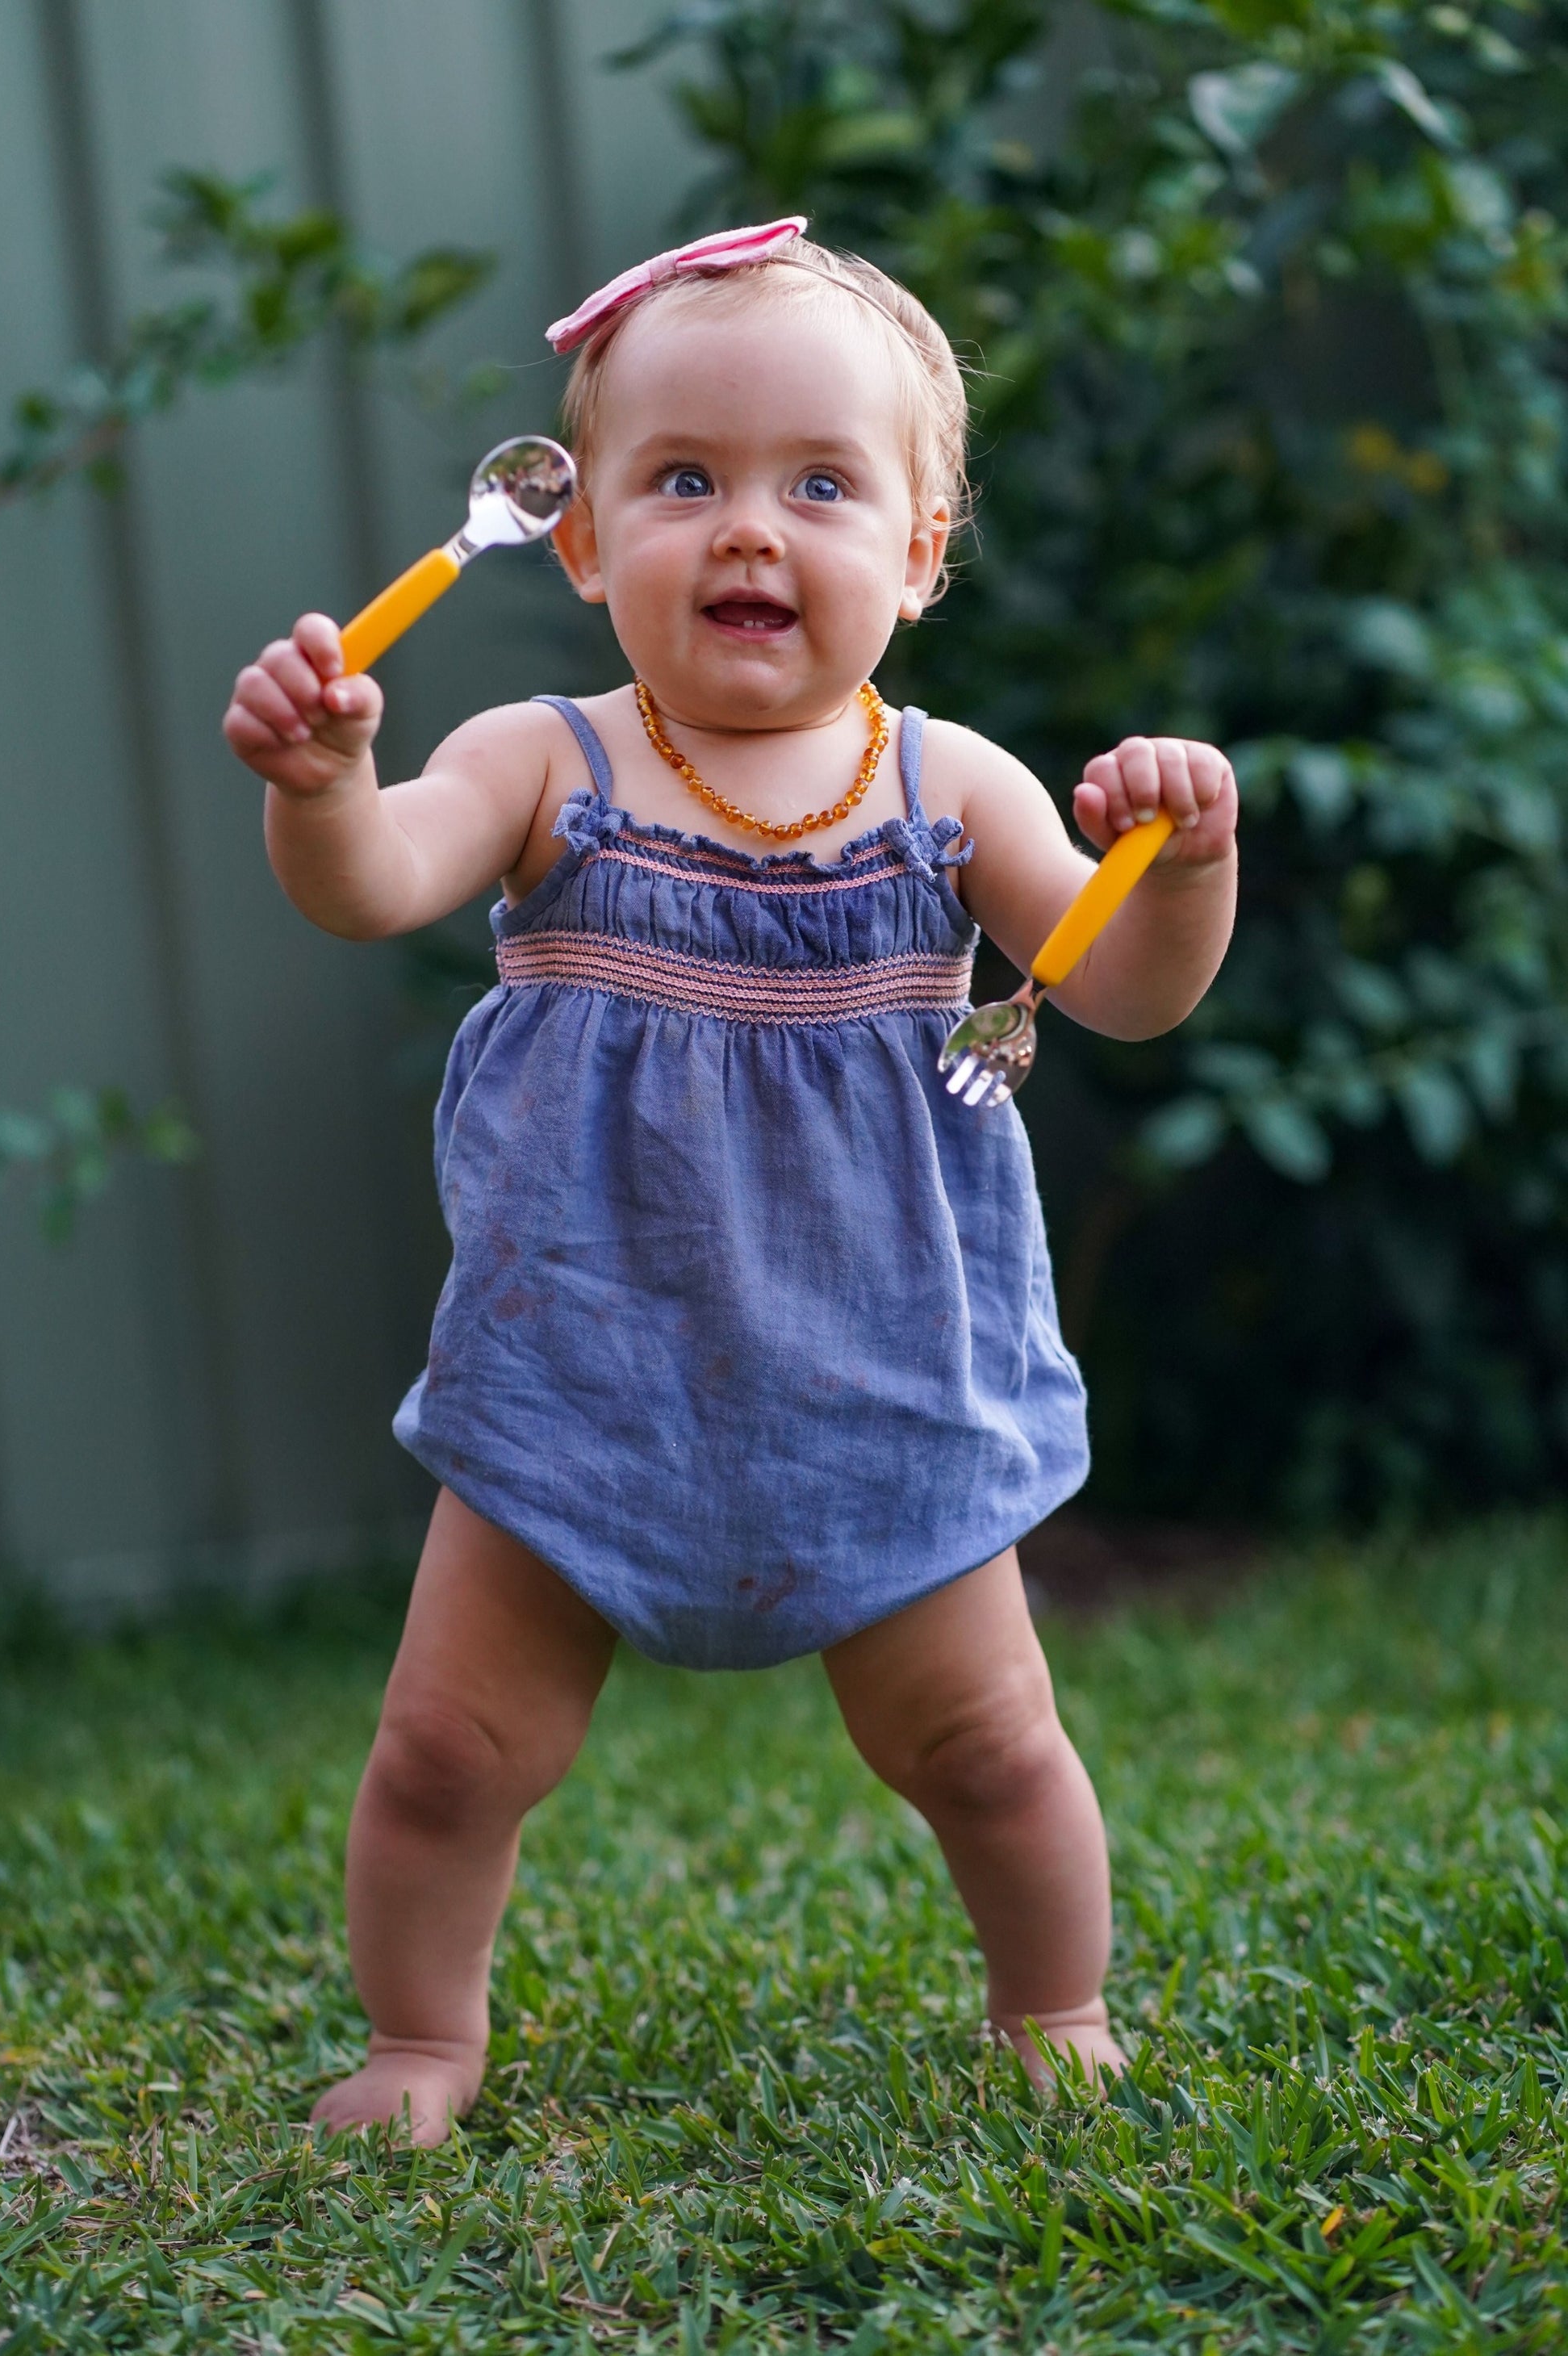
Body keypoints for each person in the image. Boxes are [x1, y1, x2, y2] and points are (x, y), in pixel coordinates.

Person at [223, 220, 1238, 2146]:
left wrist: (1179, 873)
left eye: (821, 484)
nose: (749, 530)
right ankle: (424, 2037)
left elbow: (1118, 992)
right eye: (683, 479)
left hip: (881, 1369)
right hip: (580, 1365)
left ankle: (1056, 2001)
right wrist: (323, 787)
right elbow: (371, 883)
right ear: (587, 537)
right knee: (447, 1748)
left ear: (920, 554)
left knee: (988, 1744)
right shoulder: (545, 760)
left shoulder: (956, 793)